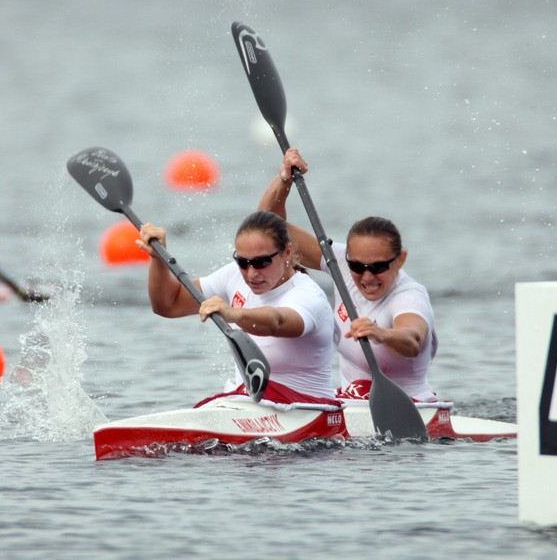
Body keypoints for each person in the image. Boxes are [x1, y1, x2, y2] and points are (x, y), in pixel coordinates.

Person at [258, 148, 440, 403]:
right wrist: (284, 181)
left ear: (401, 259)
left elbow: (413, 339)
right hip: (351, 402)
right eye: (357, 266)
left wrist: (381, 333)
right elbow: (268, 228)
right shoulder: (339, 264)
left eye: (378, 268)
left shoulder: (408, 296)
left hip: (410, 407)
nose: (367, 277)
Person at [138, 210, 338, 405]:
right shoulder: (234, 275)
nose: (251, 274)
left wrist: (234, 314)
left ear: (287, 252)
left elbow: (278, 322)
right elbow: (168, 304)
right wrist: (158, 260)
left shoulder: (308, 296)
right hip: (250, 404)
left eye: (261, 262)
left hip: (307, 410)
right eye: (243, 262)